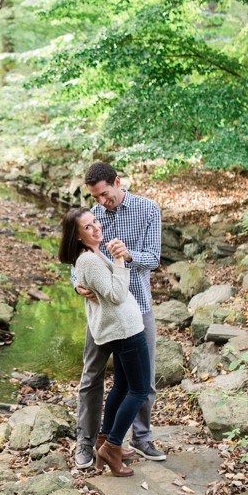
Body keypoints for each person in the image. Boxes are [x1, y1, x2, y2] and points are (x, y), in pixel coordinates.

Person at [72, 161, 164, 466]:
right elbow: (78, 260)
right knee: (92, 377)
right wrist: (77, 286)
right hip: (103, 312)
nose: (101, 202)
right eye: (95, 197)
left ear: (117, 181)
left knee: (143, 380)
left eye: (104, 194)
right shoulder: (93, 217)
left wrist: (128, 255)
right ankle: (88, 442)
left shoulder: (148, 209)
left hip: (138, 307)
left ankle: (141, 438)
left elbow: (153, 258)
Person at [58, 207, 151, 476]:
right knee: (138, 390)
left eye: (95, 222)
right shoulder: (88, 259)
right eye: (88, 227)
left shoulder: (94, 253)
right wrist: (120, 260)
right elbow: (116, 294)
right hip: (125, 331)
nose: (96, 227)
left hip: (124, 327)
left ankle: (104, 439)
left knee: (122, 386)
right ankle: (111, 447)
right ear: (77, 236)